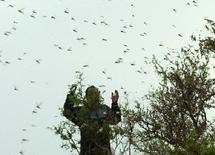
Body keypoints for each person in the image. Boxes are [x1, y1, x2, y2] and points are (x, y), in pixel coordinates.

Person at [63, 84, 121, 155]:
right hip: (87, 150)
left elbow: (116, 119)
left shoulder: (104, 108)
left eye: (95, 94)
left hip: (103, 150)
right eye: (91, 94)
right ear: (86, 97)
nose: (93, 97)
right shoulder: (82, 111)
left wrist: (114, 103)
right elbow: (67, 112)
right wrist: (71, 96)